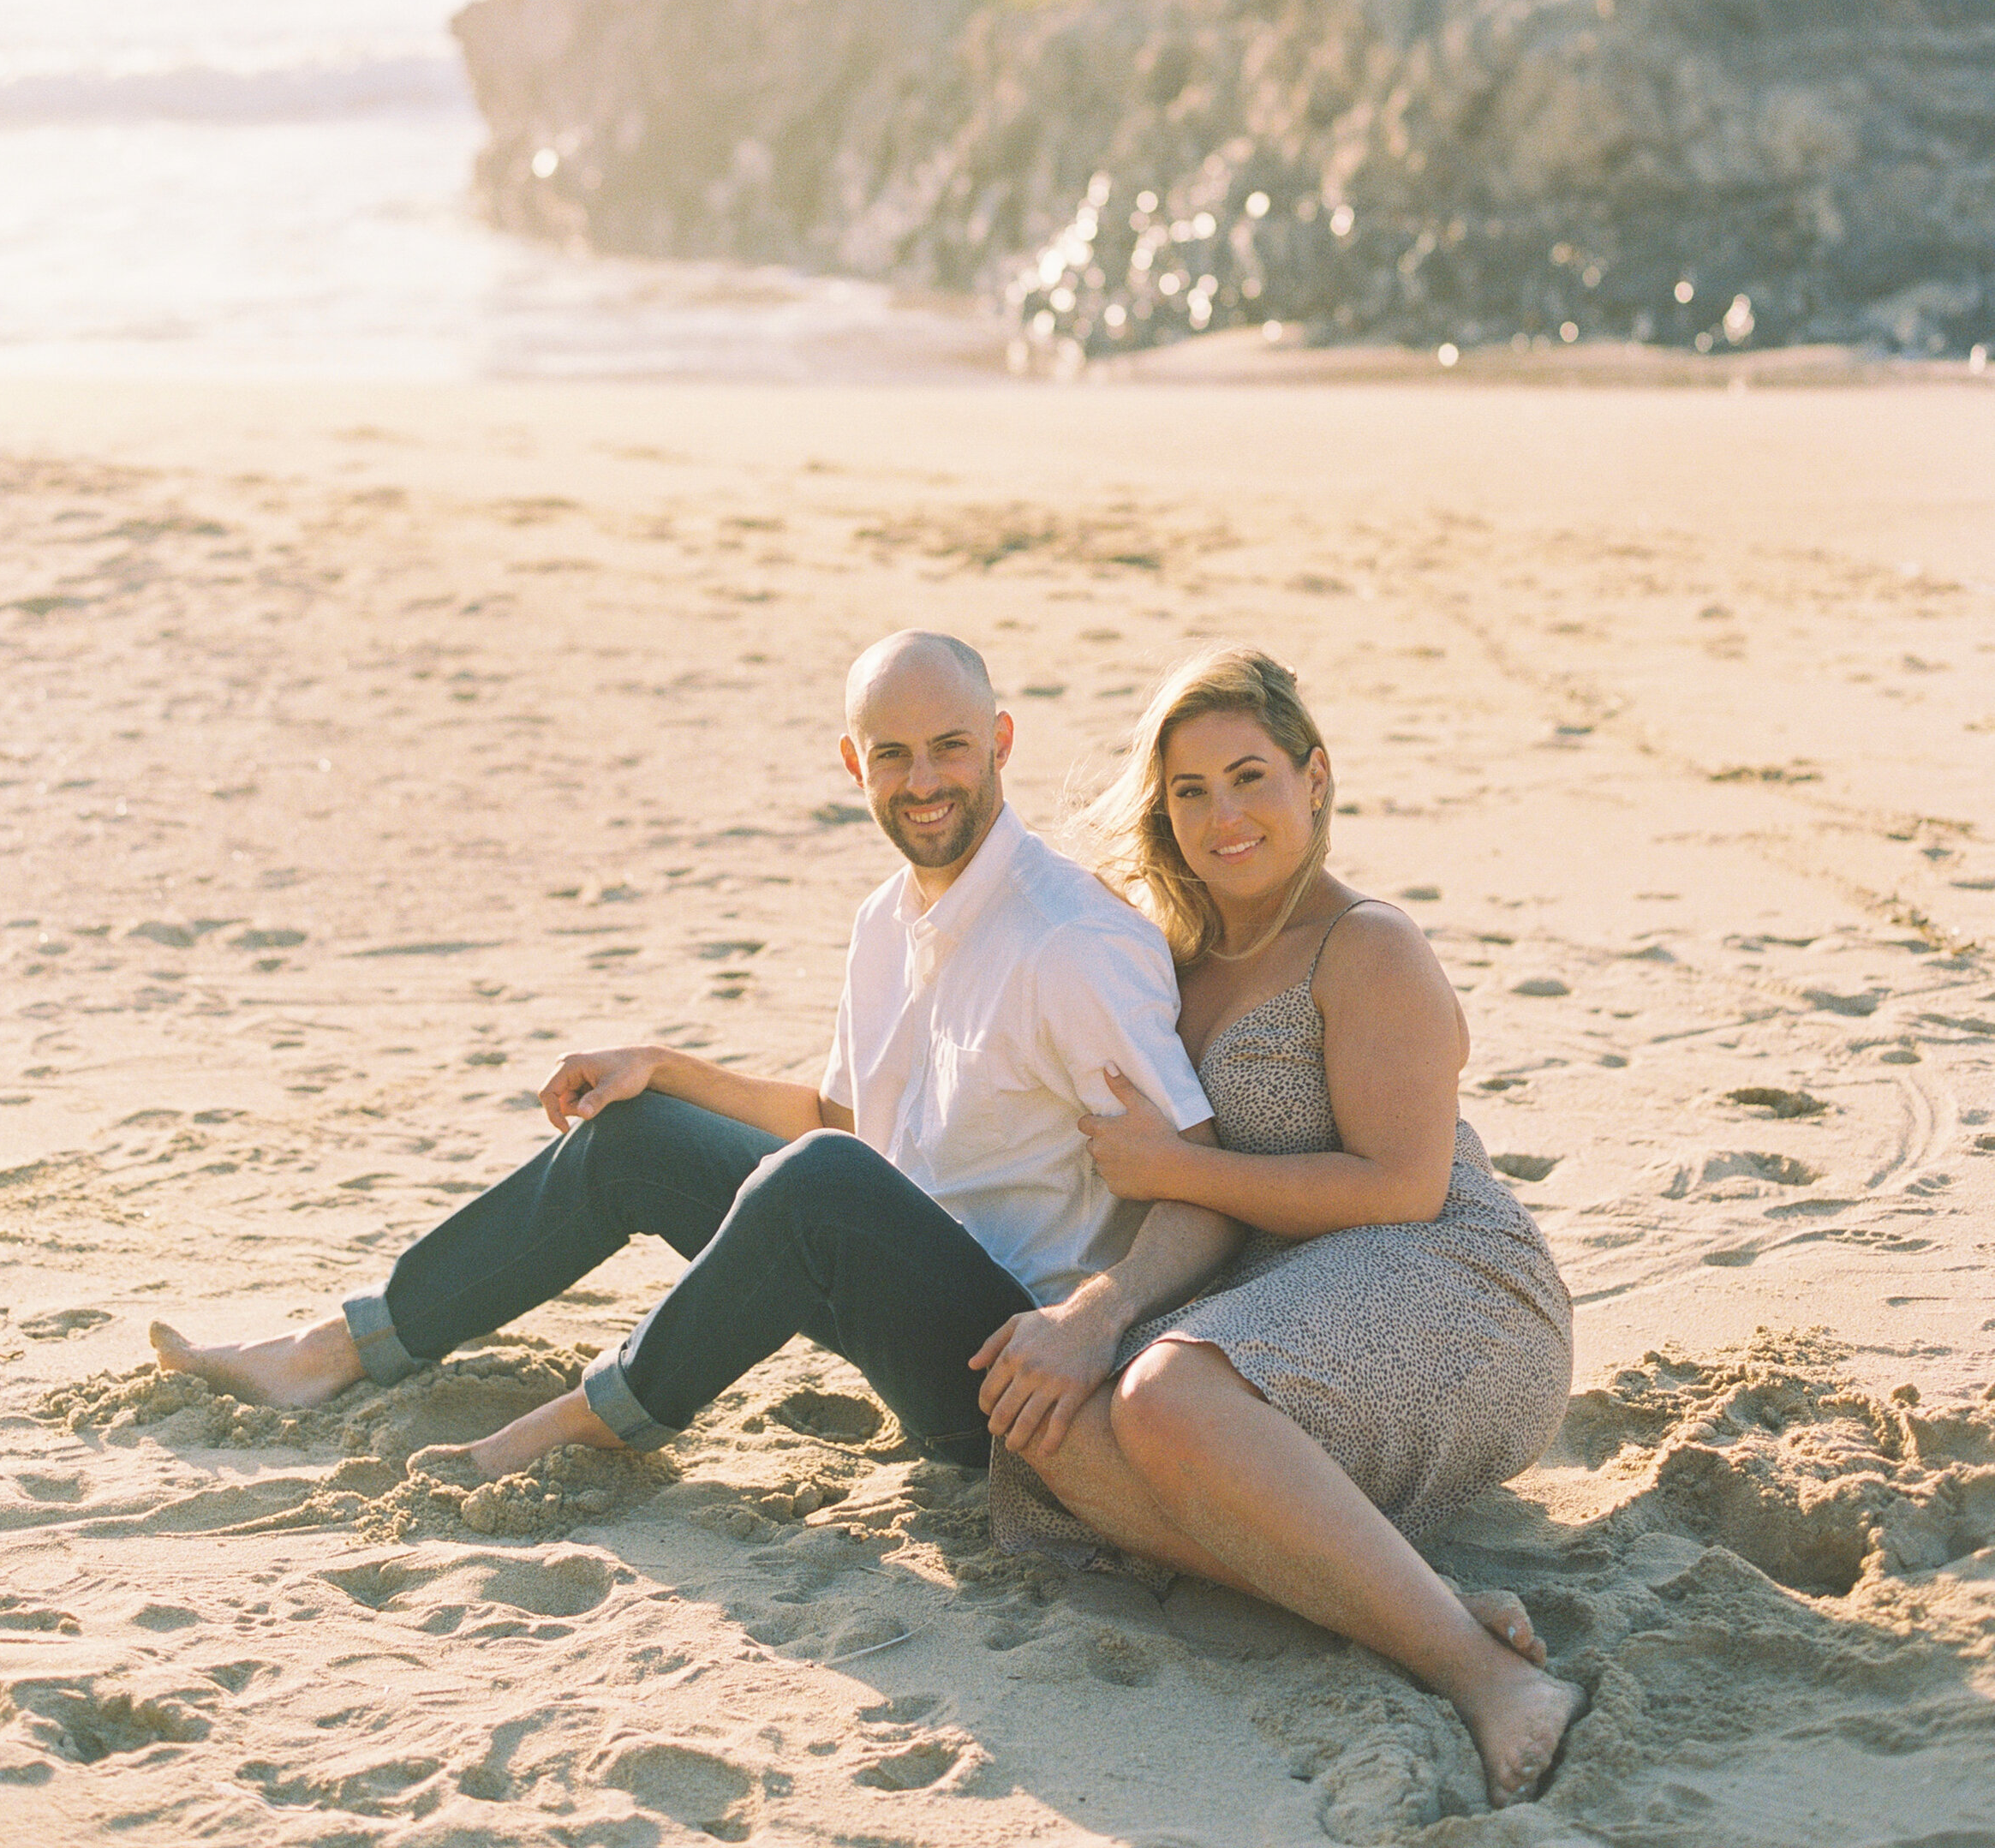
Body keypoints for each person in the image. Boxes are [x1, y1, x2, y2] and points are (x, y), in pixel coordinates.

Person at [149, 629, 1232, 1479]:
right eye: (892, 755)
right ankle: (339, 1350)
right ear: (853, 762)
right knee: (635, 1136)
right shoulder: (882, 921)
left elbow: (1203, 1184)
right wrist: (666, 1068)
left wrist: (1093, 1323)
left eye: (951, 747)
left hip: (1005, 1380)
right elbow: (847, 1127)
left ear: (1000, 741)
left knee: (821, 1185)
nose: (924, 781)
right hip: (883, 1285)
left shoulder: (1071, 942)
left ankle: (604, 1417)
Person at [980, 644, 1584, 1809]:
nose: (1224, 816)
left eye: (1250, 777)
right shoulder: (1172, 960)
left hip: (1450, 1283)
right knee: (1049, 1436)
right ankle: (1421, 1598)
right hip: (1278, 1311)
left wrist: (1165, 1166)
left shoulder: (1370, 946)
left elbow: (1404, 1185)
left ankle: (1486, 1677)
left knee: (1168, 1393)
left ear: (1315, 777)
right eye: (1190, 792)